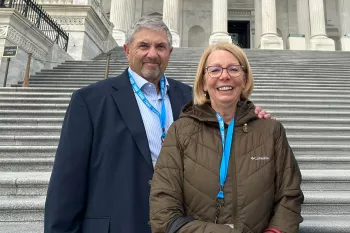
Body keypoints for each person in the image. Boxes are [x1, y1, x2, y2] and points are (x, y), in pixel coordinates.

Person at [44, 17, 272, 233]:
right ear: (127, 50)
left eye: (160, 47)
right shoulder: (90, 101)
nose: (152, 54)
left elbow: (228, 115)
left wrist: (251, 114)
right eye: (144, 45)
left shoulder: (192, 98)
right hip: (120, 223)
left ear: (169, 53)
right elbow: (67, 184)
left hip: (179, 223)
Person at [149, 42, 304, 233]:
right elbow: (163, 208)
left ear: (245, 79)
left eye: (233, 69)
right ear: (203, 81)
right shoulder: (180, 131)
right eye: (214, 70)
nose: (225, 76)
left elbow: (289, 195)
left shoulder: (271, 131)